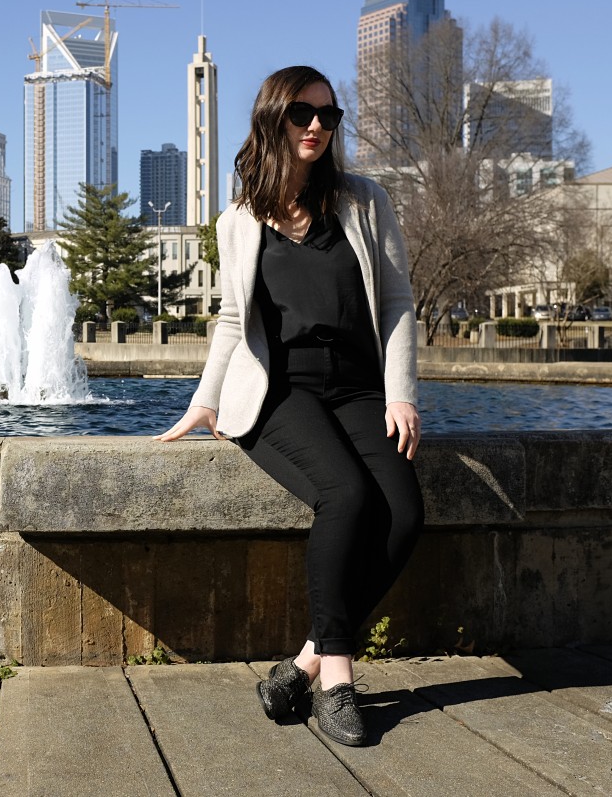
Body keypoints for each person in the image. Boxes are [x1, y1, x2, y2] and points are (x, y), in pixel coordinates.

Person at [154, 65, 424, 747]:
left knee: (406, 513)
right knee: (346, 496)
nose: (317, 127)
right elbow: (229, 319)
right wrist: (202, 401)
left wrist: (400, 392)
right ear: (274, 119)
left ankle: (301, 663)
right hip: (281, 392)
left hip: (359, 387)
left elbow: (395, 302)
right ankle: (337, 677)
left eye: (329, 117)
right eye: (304, 114)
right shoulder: (240, 220)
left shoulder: (364, 201)